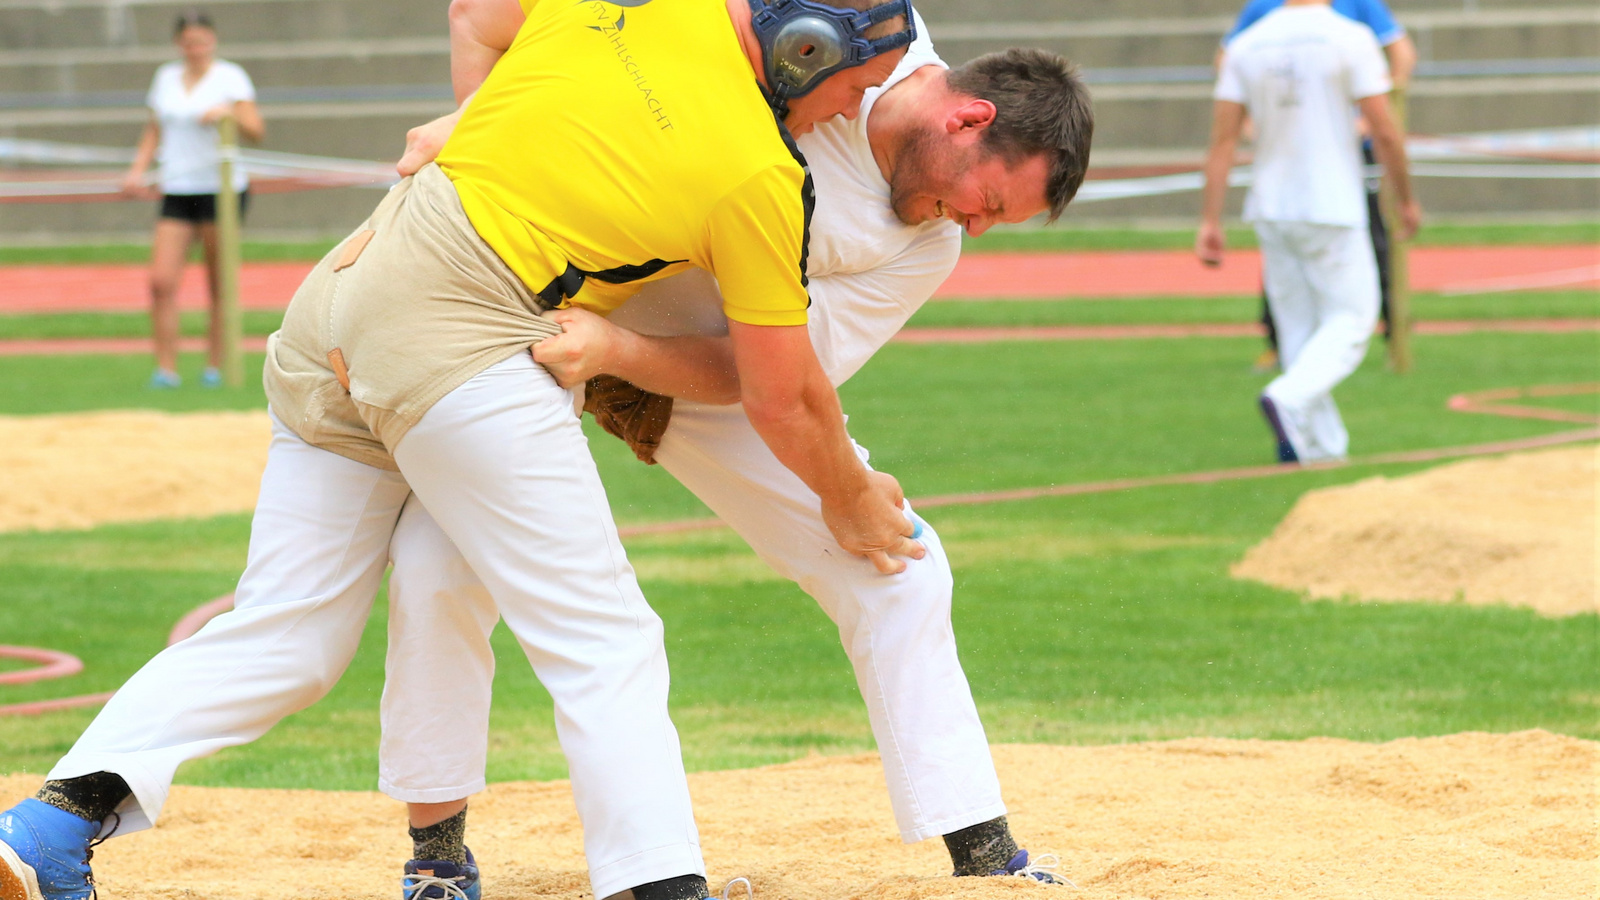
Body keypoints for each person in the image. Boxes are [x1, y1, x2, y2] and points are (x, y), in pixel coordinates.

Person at [0, 2, 919, 899]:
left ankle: (49, 826)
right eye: (856, 87)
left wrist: (483, 116)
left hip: (345, 294)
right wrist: (845, 496)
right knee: (602, 635)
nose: (848, 113)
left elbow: (475, 10)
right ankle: (660, 886)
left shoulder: (620, 10)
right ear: (805, 47)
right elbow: (782, 392)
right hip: (465, 334)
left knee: (289, 637)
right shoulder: (757, 169)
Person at [380, 8, 1094, 894]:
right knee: (440, 566)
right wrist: (494, 124)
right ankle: (438, 856)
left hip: (701, 364)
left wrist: (618, 356)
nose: (973, 229)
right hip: (518, 280)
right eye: (988, 202)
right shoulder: (842, 33)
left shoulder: (926, 243)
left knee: (900, 563)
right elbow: (494, 18)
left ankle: (984, 857)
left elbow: (780, 384)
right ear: (968, 119)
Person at [1197, 0, 1421, 463]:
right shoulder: (1348, 37)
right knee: (1355, 320)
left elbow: (1222, 140)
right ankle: (1288, 398)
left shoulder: (1246, 42)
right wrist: (1404, 197)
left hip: (1271, 204)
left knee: (1299, 329)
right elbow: (1385, 130)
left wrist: (1211, 219)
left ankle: (1321, 448)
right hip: (1331, 200)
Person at [120, 10, 264, 389]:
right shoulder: (165, 77)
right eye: (189, 43)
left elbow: (255, 130)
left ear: (212, 41)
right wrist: (137, 169)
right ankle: (166, 369)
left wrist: (227, 113)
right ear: (178, 44)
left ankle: (214, 366)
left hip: (221, 191)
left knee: (218, 282)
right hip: (178, 188)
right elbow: (154, 129)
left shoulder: (230, 78)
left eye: (202, 42)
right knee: (161, 281)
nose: (196, 49)